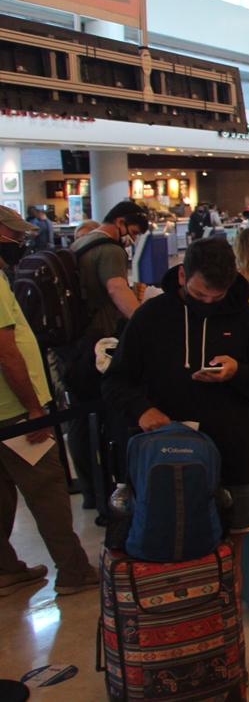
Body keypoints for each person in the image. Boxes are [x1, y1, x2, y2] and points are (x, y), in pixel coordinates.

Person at [103, 237, 249, 595]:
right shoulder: (151, 316)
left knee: (231, 551)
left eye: (217, 298)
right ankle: (175, 626)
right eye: (200, 296)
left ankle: (224, 627)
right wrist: (143, 410)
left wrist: (237, 372)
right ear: (183, 274)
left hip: (233, 451)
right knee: (167, 543)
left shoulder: (245, 317)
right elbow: (116, 382)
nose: (209, 304)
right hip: (164, 457)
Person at [0, 206, 98, 597]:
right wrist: (36, 409)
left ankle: (6, 568)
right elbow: (7, 352)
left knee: (3, 492)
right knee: (47, 491)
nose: (20, 243)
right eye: (14, 235)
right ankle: (73, 569)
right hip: (17, 411)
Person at [63, 200, 150, 507]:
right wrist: (144, 323)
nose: (133, 239)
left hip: (71, 345)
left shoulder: (83, 241)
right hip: (96, 344)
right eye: (134, 231)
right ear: (122, 222)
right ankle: (112, 491)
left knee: (80, 418)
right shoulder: (110, 249)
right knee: (110, 414)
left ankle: (91, 490)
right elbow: (116, 289)